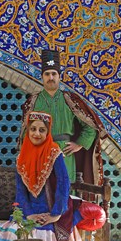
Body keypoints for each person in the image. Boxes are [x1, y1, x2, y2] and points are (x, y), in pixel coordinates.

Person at [0, 111, 86, 241]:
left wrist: (55, 215)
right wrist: (29, 215)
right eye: (33, 129)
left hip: (53, 209)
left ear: (48, 132)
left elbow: (63, 184)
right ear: (27, 131)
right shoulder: (21, 157)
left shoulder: (54, 152)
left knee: (46, 235)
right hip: (30, 212)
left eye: (42, 130)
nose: (37, 133)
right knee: (12, 232)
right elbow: (20, 191)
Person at [20, 49, 106, 186]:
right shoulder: (33, 102)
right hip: (40, 153)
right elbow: (25, 132)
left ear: (59, 77)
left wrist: (79, 144)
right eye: (47, 74)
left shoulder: (70, 100)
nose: (51, 77)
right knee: (41, 190)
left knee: (65, 190)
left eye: (54, 74)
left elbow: (90, 126)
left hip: (64, 153)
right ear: (42, 77)